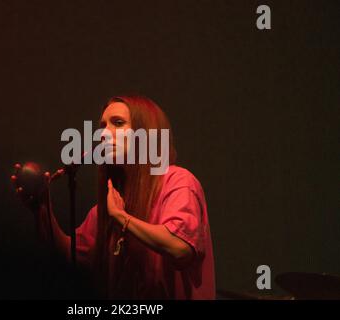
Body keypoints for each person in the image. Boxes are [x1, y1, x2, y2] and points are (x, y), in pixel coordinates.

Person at [13, 95, 215, 299]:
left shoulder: (178, 181)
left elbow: (180, 248)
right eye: (102, 126)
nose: (104, 134)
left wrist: (121, 217)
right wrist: (43, 210)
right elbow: (70, 253)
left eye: (118, 123)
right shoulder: (107, 206)